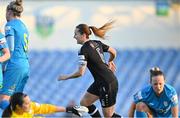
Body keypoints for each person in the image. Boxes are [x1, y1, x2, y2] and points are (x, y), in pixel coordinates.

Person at [58, 21, 121, 117]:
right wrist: (110, 61)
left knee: (108, 116)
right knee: (84, 102)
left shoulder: (83, 49)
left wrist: (65, 77)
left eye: (76, 34)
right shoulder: (96, 43)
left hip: (107, 83)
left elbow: (80, 72)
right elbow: (113, 51)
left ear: (83, 35)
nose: (74, 36)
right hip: (101, 81)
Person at [0, 0, 30, 110]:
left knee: (3, 100)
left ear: (9, 12)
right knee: (16, 101)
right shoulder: (24, 26)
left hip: (14, 65)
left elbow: (10, 49)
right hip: (25, 65)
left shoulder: (9, 25)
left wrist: (3, 68)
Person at [2, 92, 88, 117]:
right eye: (27, 103)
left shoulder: (30, 107)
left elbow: (47, 108)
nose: (30, 104)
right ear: (18, 107)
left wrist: (70, 109)